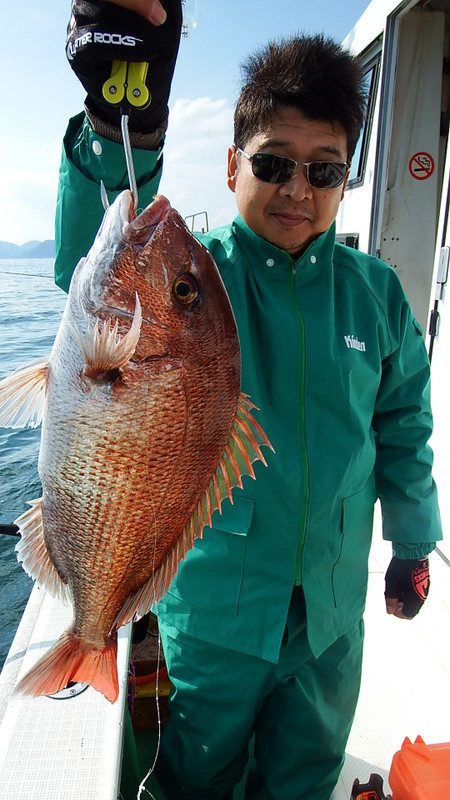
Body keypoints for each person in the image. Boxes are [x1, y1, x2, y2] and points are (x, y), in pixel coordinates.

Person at [55, 2, 442, 798]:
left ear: (346, 176)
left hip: (331, 620)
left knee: (305, 772)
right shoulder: (199, 277)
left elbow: (403, 424)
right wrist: (119, 123)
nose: (296, 189)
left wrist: (412, 540)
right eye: (272, 164)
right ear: (232, 164)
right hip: (216, 614)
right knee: (194, 774)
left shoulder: (374, 296)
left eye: (325, 169)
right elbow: (94, 257)